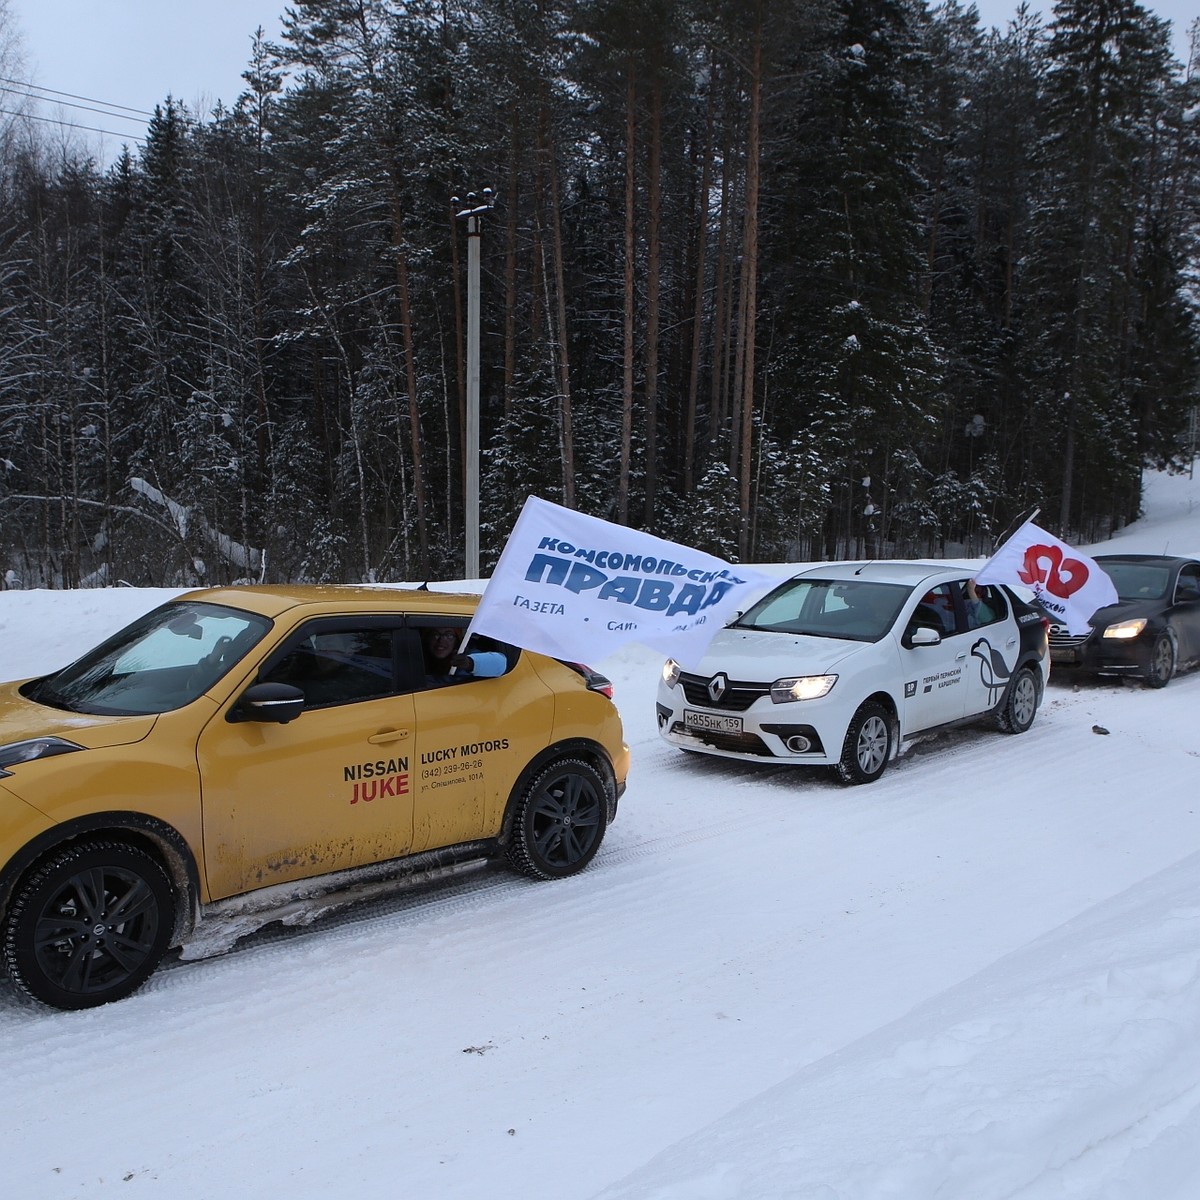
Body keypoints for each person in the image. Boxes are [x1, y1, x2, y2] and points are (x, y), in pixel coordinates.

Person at [423, 627, 507, 683]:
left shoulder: (466, 655)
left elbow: (500, 664)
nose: (441, 640)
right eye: (435, 635)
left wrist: (471, 663)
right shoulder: (416, 654)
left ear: (457, 640)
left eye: (449, 635)